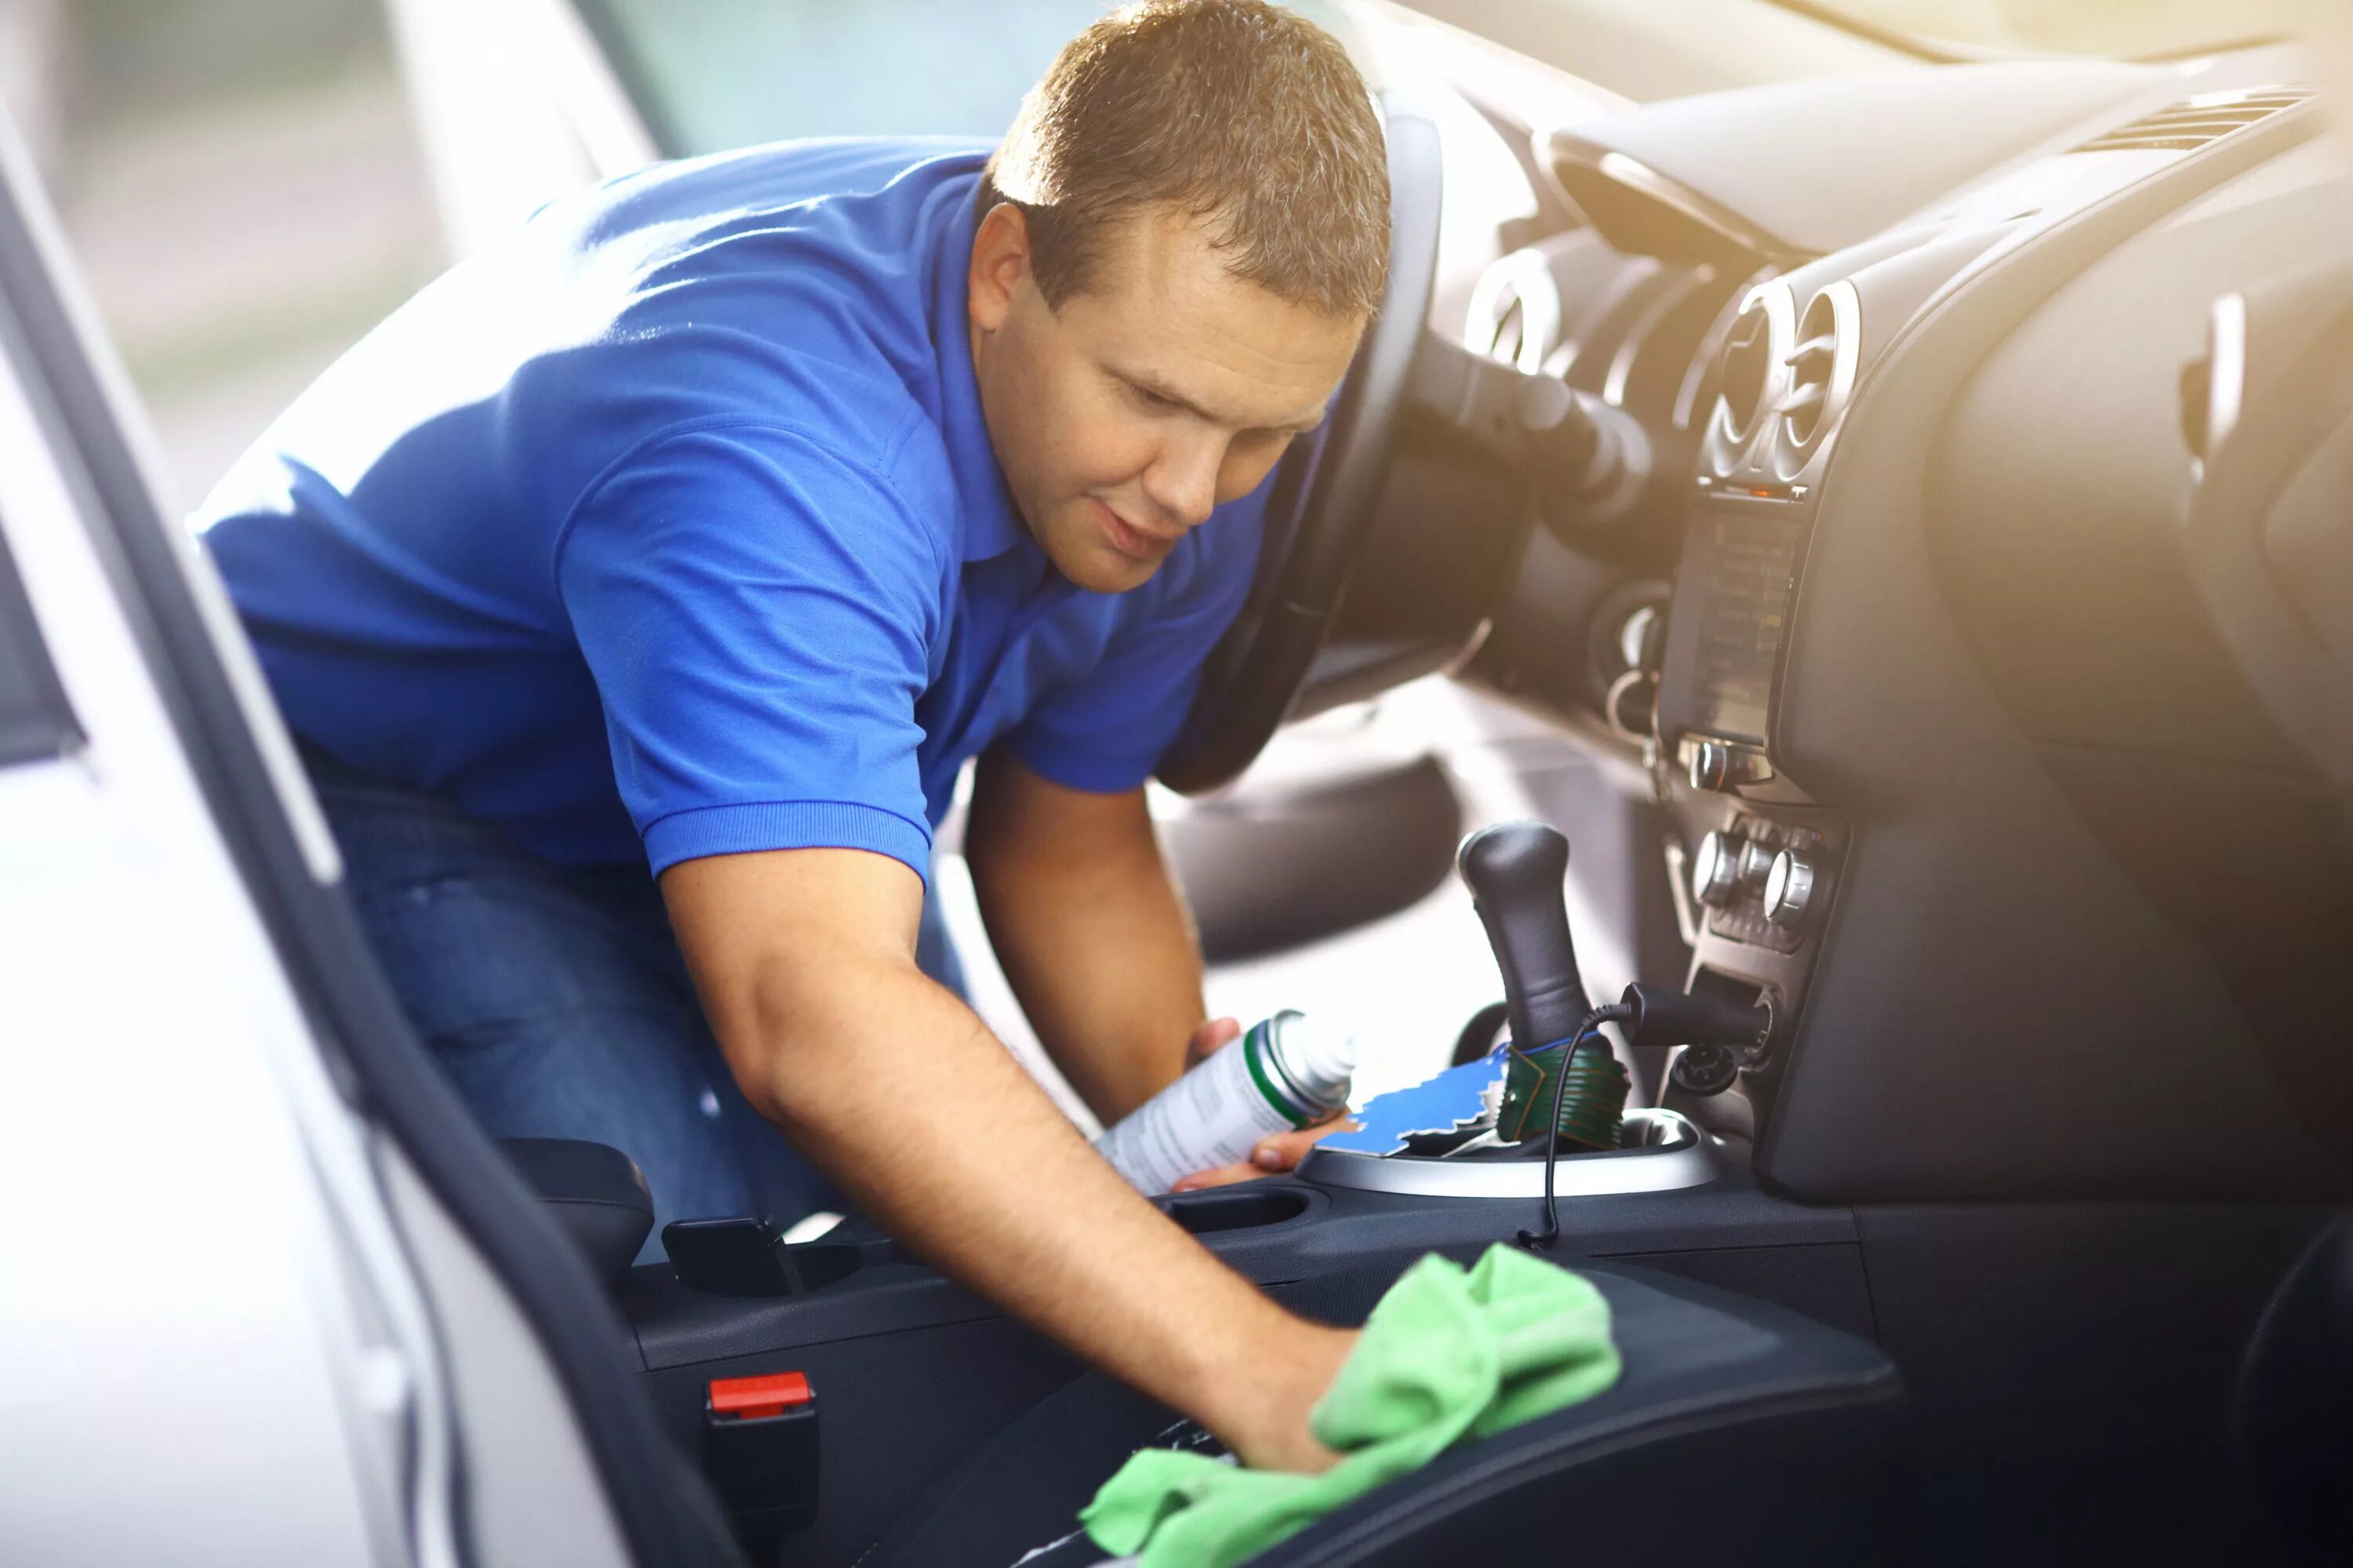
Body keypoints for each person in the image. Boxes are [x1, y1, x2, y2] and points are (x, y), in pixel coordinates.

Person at [197, 0, 1388, 1471]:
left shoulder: (1182, 403)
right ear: (1005, 270)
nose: (1199, 491)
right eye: (1154, 403)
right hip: (372, 788)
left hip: (728, 804)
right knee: (713, 1363)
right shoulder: (776, 452)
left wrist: (1194, 1127)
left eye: (1262, 435)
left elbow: (1066, 840)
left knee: (974, 1288)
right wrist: (1267, 1373)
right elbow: (815, 1018)